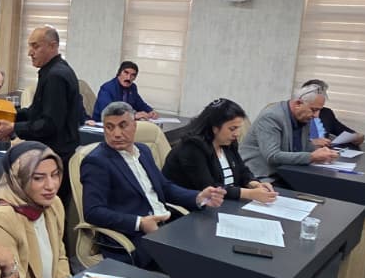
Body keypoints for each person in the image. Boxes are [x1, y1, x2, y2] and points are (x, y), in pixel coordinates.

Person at [81, 102, 223, 267]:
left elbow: (164, 187)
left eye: (123, 126)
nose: (116, 134)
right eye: (109, 127)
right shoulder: (97, 162)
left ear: (134, 126)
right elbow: (93, 212)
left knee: (214, 247)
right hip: (136, 237)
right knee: (198, 265)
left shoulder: (143, 151)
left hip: (167, 226)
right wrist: (139, 222)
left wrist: (198, 197)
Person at [0, 142, 114, 278]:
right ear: (18, 179)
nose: (51, 186)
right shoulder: (1, 218)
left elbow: (60, 257)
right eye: (38, 178)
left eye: (55, 174)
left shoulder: (54, 204)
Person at [0, 25, 84, 216]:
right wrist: (10, 113)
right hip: (56, 152)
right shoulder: (53, 70)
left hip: (56, 156)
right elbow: (36, 111)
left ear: (53, 46)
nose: (30, 52)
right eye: (29, 46)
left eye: (35, 46)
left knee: (50, 214)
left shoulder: (56, 76)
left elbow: (49, 124)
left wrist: (13, 127)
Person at [163, 99, 277, 204]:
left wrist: (254, 184)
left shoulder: (228, 143)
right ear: (215, 128)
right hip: (192, 208)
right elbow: (209, 187)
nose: (237, 134)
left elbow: (242, 170)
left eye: (238, 128)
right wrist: (250, 194)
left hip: (226, 204)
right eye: (232, 129)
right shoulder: (192, 148)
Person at [238, 84, 338, 181]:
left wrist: (323, 152)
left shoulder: (303, 117)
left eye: (319, 110)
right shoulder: (271, 117)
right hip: (260, 176)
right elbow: (272, 156)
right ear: (298, 104)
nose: (316, 115)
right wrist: (312, 157)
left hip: (287, 172)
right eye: (314, 110)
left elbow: (304, 147)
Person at [300, 78, 364, 146]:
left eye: (323, 93)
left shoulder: (326, 113)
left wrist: (357, 136)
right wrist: (312, 142)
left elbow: (344, 131)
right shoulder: (297, 115)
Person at [91, 60, 157, 121]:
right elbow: (108, 112)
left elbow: (140, 104)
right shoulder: (107, 88)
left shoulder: (132, 87)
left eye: (133, 75)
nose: (128, 78)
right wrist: (133, 115)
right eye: (126, 73)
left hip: (123, 124)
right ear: (119, 73)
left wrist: (150, 111)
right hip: (104, 124)